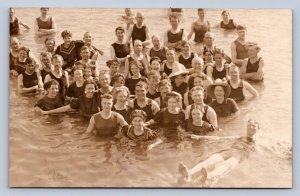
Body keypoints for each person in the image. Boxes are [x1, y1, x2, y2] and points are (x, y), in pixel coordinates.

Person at [178, 119, 260, 186]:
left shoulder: (257, 142)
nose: (251, 127)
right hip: (228, 152)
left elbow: (259, 155)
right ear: (246, 127)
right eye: (249, 125)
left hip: (238, 157)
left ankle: (208, 177)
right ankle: (189, 173)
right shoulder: (239, 137)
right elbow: (219, 138)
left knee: (226, 165)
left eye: (254, 126)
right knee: (210, 160)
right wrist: (200, 137)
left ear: (258, 129)